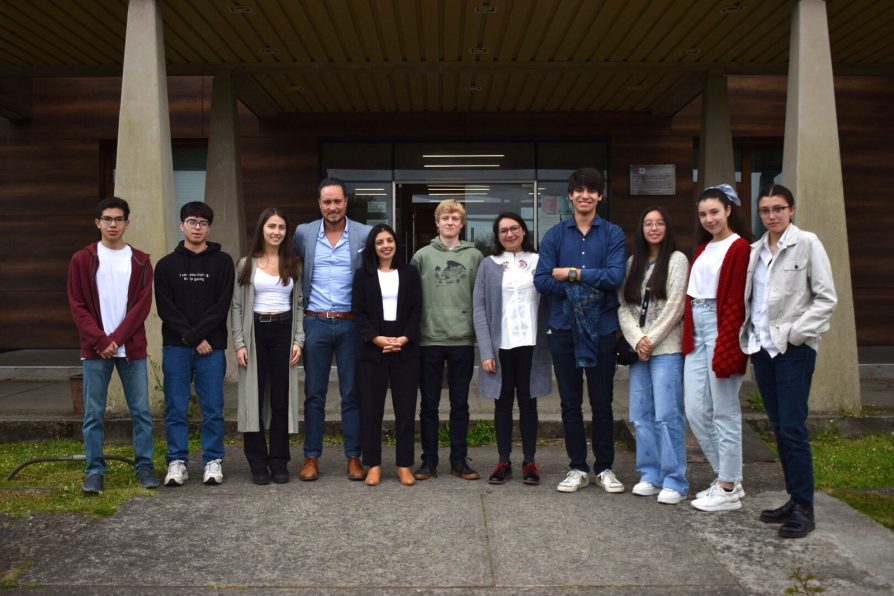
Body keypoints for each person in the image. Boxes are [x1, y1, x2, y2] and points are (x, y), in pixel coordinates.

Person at [740, 184, 837, 538]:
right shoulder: (755, 251)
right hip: (763, 349)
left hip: (793, 348)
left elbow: (826, 298)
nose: (771, 216)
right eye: (765, 210)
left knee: (793, 427)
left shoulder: (807, 243)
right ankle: (793, 498)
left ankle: (805, 508)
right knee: (779, 426)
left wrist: (797, 333)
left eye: (778, 208)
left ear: (791, 210)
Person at [534, 167, 627, 494]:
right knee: (570, 403)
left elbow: (615, 277)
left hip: (602, 330)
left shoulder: (613, 234)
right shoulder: (555, 236)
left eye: (592, 190)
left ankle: (604, 468)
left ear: (599, 196)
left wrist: (570, 274)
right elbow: (542, 280)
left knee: (602, 402)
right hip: (563, 329)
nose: (585, 195)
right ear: (571, 196)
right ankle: (577, 467)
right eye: (580, 190)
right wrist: (588, 280)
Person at [67, 196, 160, 494]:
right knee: (93, 413)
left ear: (127, 223)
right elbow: (78, 305)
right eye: (107, 219)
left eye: (118, 219)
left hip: (130, 349)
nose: (113, 224)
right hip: (95, 351)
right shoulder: (83, 259)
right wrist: (100, 340)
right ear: (98, 223)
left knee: (141, 412)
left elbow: (141, 308)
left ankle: (144, 466)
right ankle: (95, 470)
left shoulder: (141, 261)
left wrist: (116, 339)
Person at [293, 178, 372, 481]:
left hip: (351, 322)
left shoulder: (363, 234)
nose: (332, 207)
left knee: (352, 393)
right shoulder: (304, 233)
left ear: (346, 203)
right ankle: (311, 457)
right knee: (314, 393)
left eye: (337, 201)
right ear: (319, 204)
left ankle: (354, 457)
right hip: (315, 321)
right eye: (327, 202)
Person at [154, 202, 235, 486]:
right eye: (191, 222)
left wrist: (200, 338)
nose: (197, 227)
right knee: (176, 406)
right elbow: (166, 309)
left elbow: (221, 305)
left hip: (212, 348)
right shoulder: (166, 265)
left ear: (209, 227)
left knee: (212, 406)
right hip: (176, 347)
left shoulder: (223, 262)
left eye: (202, 223)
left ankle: (213, 460)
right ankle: (177, 461)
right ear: (181, 225)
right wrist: (192, 338)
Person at [684, 183, 751, 512]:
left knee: (724, 410)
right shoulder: (702, 249)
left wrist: (729, 341)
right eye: (703, 214)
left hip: (723, 325)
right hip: (697, 325)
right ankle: (727, 478)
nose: (709, 218)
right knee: (695, 408)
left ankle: (727, 484)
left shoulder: (740, 248)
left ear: (728, 211)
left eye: (714, 212)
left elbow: (737, 300)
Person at [473, 213, 551, 486]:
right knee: (502, 404)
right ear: (497, 235)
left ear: (524, 231)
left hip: (531, 343)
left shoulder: (539, 261)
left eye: (514, 228)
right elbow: (479, 309)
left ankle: (529, 461)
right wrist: (485, 351)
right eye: (503, 230)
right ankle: (503, 460)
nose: (509, 234)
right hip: (500, 345)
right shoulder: (489, 265)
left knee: (529, 403)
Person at [619, 206, 689, 504]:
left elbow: (676, 306)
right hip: (641, 353)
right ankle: (650, 473)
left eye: (660, 222)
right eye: (648, 223)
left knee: (667, 415)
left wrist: (650, 340)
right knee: (641, 415)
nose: (654, 228)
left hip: (667, 350)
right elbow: (624, 306)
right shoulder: (632, 263)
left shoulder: (677, 260)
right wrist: (638, 341)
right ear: (641, 229)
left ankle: (675, 479)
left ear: (667, 227)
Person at [411, 199, 484, 480]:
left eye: (455, 218)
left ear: (462, 223)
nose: (450, 222)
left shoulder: (475, 256)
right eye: (445, 218)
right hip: (429, 339)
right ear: (437, 222)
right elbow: (412, 299)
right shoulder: (422, 257)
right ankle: (429, 460)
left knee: (460, 405)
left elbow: (481, 298)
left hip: (462, 340)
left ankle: (458, 460)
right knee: (428, 405)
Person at [232, 208, 303, 485]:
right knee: (254, 398)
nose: (276, 231)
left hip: (284, 332)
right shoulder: (245, 264)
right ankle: (258, 461)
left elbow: (299, 304)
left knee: (280, 399)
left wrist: (299, 339)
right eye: (271, 226)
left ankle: (279, 460)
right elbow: (237, 306)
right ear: (262, 228)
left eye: (281, 227)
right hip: (255, 333)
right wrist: (239, 342)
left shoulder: (293, 264)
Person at [353, 224, 422, 486]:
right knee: (371, 410)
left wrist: (404, 338)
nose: (385, 245)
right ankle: (374, 464)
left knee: (405, 410)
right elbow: (358, 312)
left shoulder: (410, 273)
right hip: (373, 349)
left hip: (405, 348)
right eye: (380, 241)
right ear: (373, 246)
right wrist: (377, 339)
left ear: (396, 244)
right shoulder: (363, 276)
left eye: (390, 240)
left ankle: (404, 465)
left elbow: (417, 309)